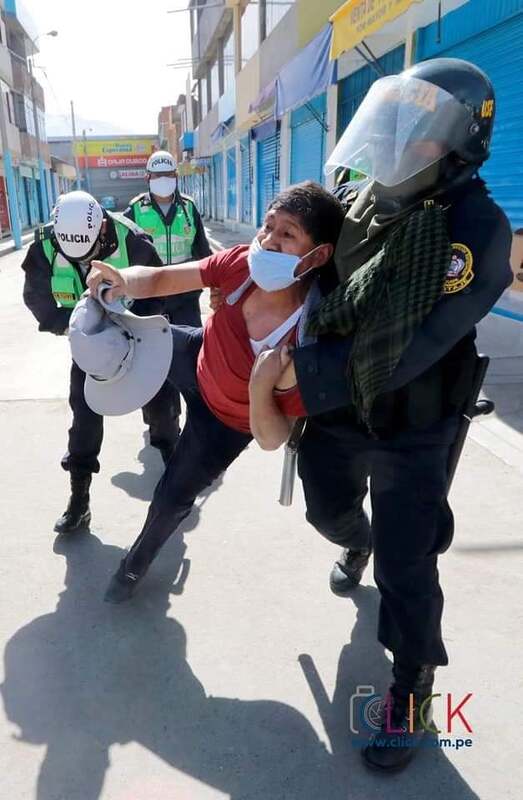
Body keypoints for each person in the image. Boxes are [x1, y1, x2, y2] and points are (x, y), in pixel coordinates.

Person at [249, 59, 513, 771]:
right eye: (396, 124)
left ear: (458, 145)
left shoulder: (474, 229)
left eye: (421, 131)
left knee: (407, 567)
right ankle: (358, 539)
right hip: (337, 418)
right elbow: (299, 266)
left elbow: (408, 347)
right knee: (326, 514)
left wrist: (297, 374)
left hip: (412, 426)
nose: (400, 141)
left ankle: (412, 688)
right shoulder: (361, 200)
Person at [84, 182, 345, 603]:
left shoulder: (309, 338)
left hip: (226, 423)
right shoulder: (241, 263)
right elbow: (164, 278)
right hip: (197, 354)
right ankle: (162, 427)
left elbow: (272, 437)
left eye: (288, 234)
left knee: (171, 498)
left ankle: (133, 567)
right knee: (121, 338)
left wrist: (261, 386)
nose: (269, 240)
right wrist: (123, 281)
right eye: (268, 226)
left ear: (317, 256)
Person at [22, 190, 179, 535]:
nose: (84, 260)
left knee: (161, 405)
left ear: (102, 228)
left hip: (138, 336)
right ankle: (79, 500)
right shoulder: (45, 246)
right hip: (92, 345)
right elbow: (36, 296)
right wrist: (74, 327)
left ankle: (176, 474)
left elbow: (158, 292)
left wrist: (126, 323)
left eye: (91, 251)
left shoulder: (134, 241)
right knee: (84, 416)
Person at [124, 150, 212, 439]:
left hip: (185, 296)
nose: (163, 180)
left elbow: (202, 251)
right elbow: (122, 254)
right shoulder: (135, 210)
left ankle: (199, 421)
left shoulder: (189, 208)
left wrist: (217, 286)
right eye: (157, 175)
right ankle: (160, 421)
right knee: (152, 362)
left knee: (192, 356)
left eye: (169, 175)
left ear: (176, 176)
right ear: (148, 178)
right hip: (149, 298)